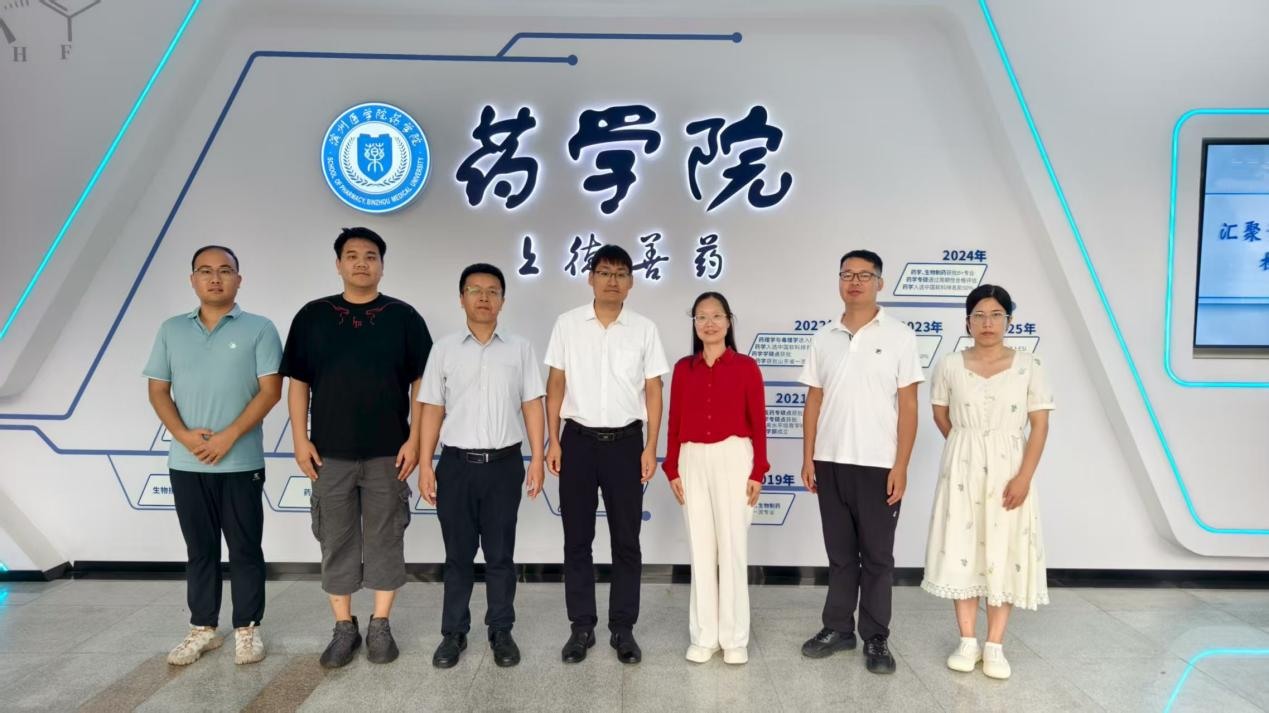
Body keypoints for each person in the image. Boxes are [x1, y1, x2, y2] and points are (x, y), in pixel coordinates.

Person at [279, 227, 432, 668]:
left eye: (370, 256)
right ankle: (344, 626)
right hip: (330, 453)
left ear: (382, 265)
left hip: (389, 453)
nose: (361, 262)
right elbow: (298, 383)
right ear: (338, 264)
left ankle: (381, 624)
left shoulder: (403, 317)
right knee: (335, 538)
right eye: (352, 255)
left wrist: (415, 439)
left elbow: (422, 384)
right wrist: (300, 439)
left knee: (386, 537)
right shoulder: (313, 316)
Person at [144, 245, 282, 666]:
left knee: (245, 548)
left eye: (225, 270)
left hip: (241, 462)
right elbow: (158, 390)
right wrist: (185, 437)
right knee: (200, 548)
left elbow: (270, 391)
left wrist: (228, 437)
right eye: (205, 271)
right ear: (193, 280)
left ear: (239, 279)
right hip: (186, 462)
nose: (215, 278)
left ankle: (247, 628)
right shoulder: (171, 330)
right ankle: (203, 628)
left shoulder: (260, 328)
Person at [798, 249, 923, 674]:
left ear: (879, 283)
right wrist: (809, 456)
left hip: (878, 465)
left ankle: (875, 637)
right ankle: (837, 628)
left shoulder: (900, 336)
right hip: (830, 461)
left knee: (878, 557)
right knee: (839, 554)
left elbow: (909, 405)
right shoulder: (824, 337)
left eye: (864, 275)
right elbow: (814, 400)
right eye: (847, 274)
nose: (854, 282)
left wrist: (901, 465)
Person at [544, 244, 670, 665]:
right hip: (577, 441)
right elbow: (556, 383)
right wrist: (554, 439)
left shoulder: (644, 329)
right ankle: (581, 627)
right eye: (604, 272)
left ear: (631, 282)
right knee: (577, 540)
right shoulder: (567, 324)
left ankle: (623, 628)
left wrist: (651, 446)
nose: (612, 280)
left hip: (626, 444)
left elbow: (654, 390)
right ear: (590, 278)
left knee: (626, 540)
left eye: (620, 273)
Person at [416, 263, 546, 669]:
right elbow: (431, 408)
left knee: (500, 555)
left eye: (493, 291)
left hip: (504, 465)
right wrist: (426, 463)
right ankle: (453, 633)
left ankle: (501, 630)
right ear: (462, 299)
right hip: (455, 466)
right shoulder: (444, 349)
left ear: (503, 301)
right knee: (457, 556)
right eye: (475, 290)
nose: (484, 297)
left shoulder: (520, 348)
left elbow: (532, 404)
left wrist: (537, 458)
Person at [921, 284, 1053, 680]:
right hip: (961, 470)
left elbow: (1040, 425)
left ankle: (994, 644)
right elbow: (940, 414)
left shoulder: (1029, 365)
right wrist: (966, 449)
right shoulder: (949, 364)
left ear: (1009, 320)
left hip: (1010, 468)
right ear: (967, 322)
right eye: (979, 315)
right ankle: (967, 641)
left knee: (1003, 549)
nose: (987, 323)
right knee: (962, 547)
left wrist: (1024, 476)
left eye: (996, 315)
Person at [663, 291, 768, 665]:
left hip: (733, 457)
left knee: (733, 547)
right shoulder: (683, 369)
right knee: (701, 548)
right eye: (701, 317)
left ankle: (734, 638)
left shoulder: (746, 367)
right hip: (692, 459)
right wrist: (672, 467)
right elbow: (674, 421)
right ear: (694, 323)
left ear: (728, 321)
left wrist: (758, 470)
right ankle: (704, 636)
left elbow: (759, 421)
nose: (709, 323)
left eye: (716, 316)